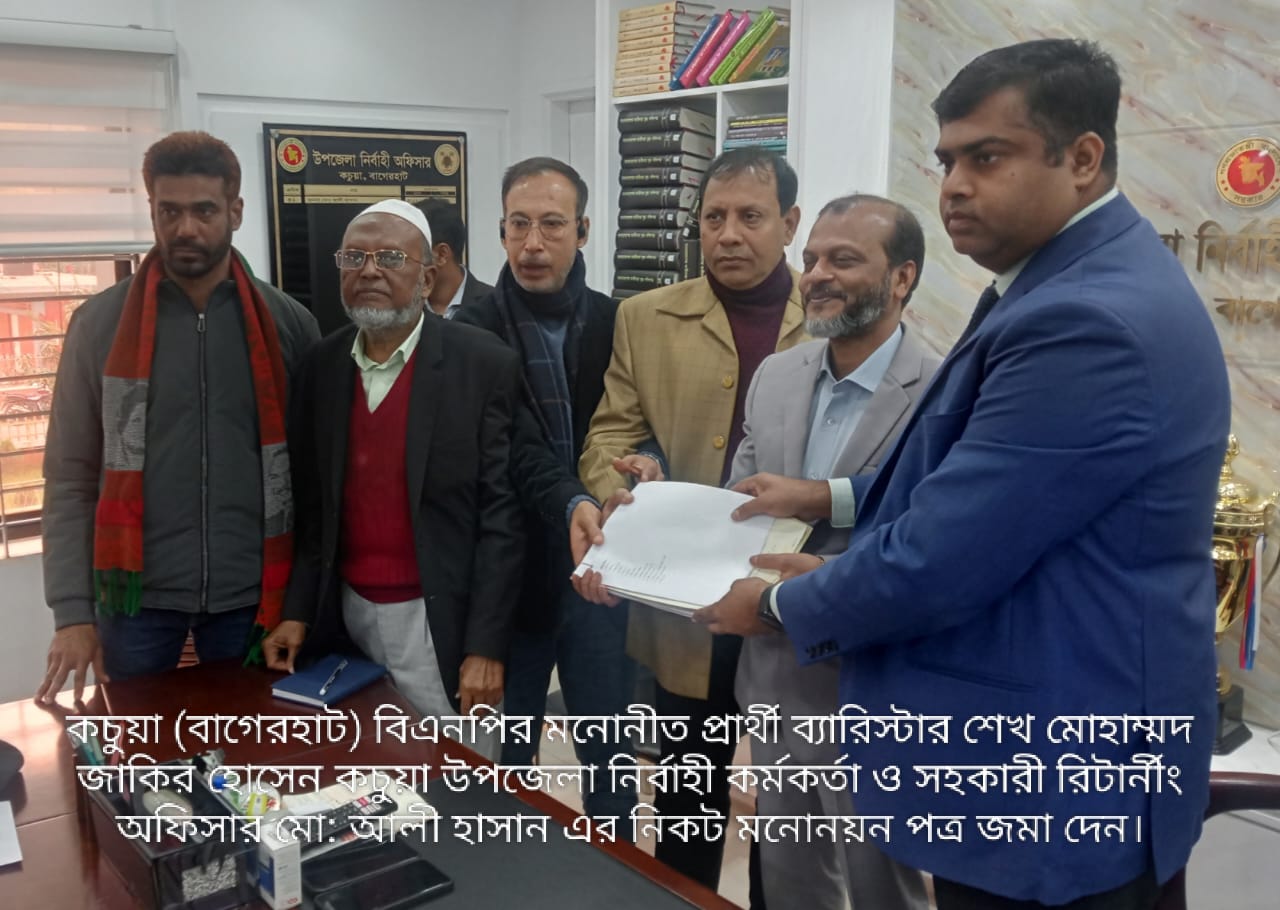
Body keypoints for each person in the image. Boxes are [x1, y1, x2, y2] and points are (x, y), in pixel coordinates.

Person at [694, 39, 1231, 909]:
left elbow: (946, 554)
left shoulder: (1085, 319)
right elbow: (966, 507)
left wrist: (782, 604)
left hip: (1053, 772)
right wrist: (823, 571)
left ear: (1083, 158)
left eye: (988, 158)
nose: (954, 186)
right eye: (947, 161)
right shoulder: (1055, 284)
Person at [577, 147, 807, 892]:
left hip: (791, 601)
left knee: (790, 813)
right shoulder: (646, 317)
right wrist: (629, 472)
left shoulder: (830, 316)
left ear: (789, 224)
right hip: (687, 607)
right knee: (686, 803)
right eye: (714, 217)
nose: (728, 234)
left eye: (750, 217)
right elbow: (610, 434)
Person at [37, 131, 319, 703]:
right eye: (170, 211)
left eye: (204, 211)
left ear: (235, 211)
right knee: (138, 747)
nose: (186, 228)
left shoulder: (289, 325)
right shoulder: (98, 326)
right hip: (135, 601)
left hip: (252, 597)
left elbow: (313, 480)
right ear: (152, 211)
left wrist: (302, 603)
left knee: (249, 746)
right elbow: (69, 476)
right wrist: (72, 613)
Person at [729, 195, 936, 910]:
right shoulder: (777, 375)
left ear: (902, 277)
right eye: (812, 258)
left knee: (884, 887)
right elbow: (742, 502)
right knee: (791, 878)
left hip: (875, 686)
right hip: (774, 675)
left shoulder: (941, 391)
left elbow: (929, 535)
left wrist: (819, 505)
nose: (816, 274)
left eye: (843, 260)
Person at [266, 200, 523, 745]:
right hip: (347, 619)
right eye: (353, 257)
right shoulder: (321, 367)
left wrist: (486, 644)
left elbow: (502, 517)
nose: (369, 271)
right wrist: (297, 612)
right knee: (366, 768)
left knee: (458, 775)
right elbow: (314, 510)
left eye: (389, 258)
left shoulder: (482, 364)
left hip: (441, 621)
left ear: (427, 277)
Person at [454, 157, 640, 826]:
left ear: (583, 231)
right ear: (501, 231)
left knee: (609, 757)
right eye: (519, 225)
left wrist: (644, 463)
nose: (533, 244)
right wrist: (569, 501)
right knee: (506, 763)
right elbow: (507, 447)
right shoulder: (471, 331)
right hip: (513, 572)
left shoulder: (620, 322)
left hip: (602, 569)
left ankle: (615, 873)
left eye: (552, 225)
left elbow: (637, 424)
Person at [420, 200, 493, 319]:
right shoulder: (403, 307)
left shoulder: (494, 306)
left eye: (410, 251)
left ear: (442, 255)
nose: (403, 264)